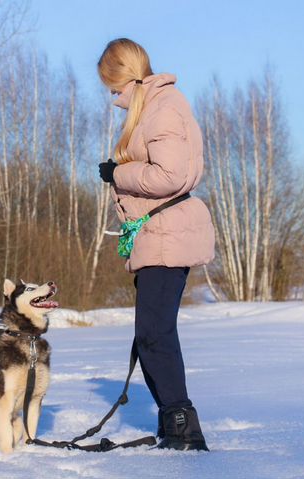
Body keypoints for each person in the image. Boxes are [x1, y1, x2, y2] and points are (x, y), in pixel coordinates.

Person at [96, 38, 215, 451]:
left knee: (154, 335)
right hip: (157, 235)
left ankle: (183, 427)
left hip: (167, 234)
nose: (115, 100)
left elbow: (169, 176)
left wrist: (118, 174)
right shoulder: (155, 108)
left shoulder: (163, 107)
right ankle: (174, 424)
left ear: (129, 78)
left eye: (115, 89)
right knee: (152, 334)